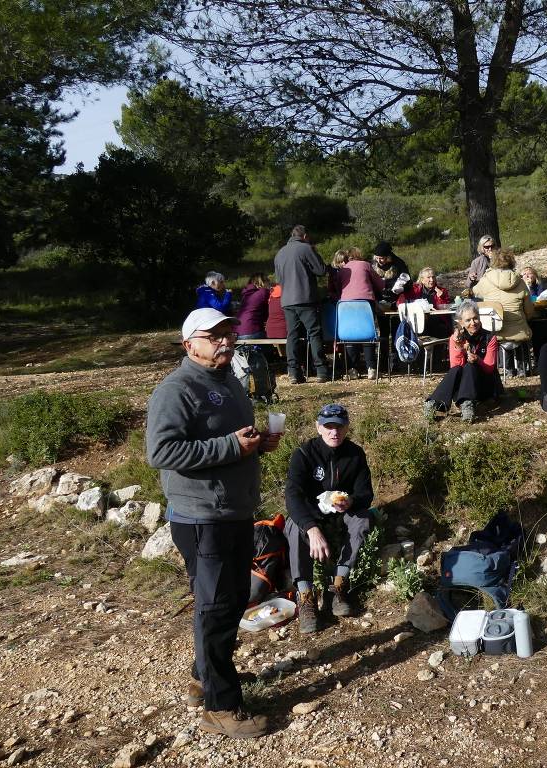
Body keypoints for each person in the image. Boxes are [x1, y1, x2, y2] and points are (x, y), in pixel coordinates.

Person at [145, 307, 283, 739]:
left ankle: (202, 677)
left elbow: (230, 445)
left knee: (228, 599)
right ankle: (220, 707)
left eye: (229, 332)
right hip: (202, 516)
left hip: (234, 511)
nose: (226, 340)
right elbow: (161, 452)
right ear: (190, 345)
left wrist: (257, 444)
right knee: (217, 606)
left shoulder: (229, 383)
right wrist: (230, 446)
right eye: (214, 335)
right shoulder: (177, 389)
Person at [284, 403, 374, 630]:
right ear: (318, 427)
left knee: (362, 518)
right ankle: (305, 596)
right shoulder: (304, 454)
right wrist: (311, 528)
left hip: (342, 514)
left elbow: (366, 493)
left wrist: (351, 501)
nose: (335, 432)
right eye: (329, 427)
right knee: (294, 526)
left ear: (347, 427)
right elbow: (293, 497)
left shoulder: (355, 454)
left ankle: (339, 585)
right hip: (313, 515)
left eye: (340, 427)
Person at [422, 300, 500, 423]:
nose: (473, 323)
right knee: (458, 369)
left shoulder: (490, 337)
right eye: (468, 320)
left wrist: (478, 360)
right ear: (461, 322)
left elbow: (490, 368)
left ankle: (467, 405)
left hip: (485, 383)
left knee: (470, 366)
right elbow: (455, 367)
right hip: (465, 386)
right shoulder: (456, 338)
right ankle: (434, 403)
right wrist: (458, 345)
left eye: (475, 318)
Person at [274, 224, 330, 382]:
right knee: (314, 333)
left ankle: (294, 372)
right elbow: (321, 270)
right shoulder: (306, 249)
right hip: (305, 298)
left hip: (287, 301)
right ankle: (321, 371)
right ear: (305, 236)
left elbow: (278, 279)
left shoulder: (280, 253)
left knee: (292, 335)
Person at [332, 247, 385, 379]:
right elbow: (380, 284)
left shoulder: (343, 269)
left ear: (348, 257)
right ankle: (371, 368)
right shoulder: (366, 265)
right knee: (367, 333)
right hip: (365, 303)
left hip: (345, 304)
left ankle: (351, 369)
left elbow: (338, 287)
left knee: (350, 334)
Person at [473, 249, 535, 344]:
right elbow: (529, 311)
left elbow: (474, 291)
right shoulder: (520, 282)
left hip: (494, 333)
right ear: (511, 262)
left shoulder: (486, 280)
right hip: (520, 332)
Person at [397, 266, 453, 337]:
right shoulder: (414, 290)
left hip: (437, 320)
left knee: (438, 325)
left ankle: (435, 346)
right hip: (418, 321)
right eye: (428, 277)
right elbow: (400, 301)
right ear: (422, 280)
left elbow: (445, 310)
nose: (432, 280)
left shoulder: (442, 291)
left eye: (433, 277)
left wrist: (441, 297)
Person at [371, 241, 411, 305]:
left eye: (381, 258)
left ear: (388, 257)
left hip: (395, 299)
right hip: (377, 299)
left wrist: (402, 288)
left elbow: (409, 283)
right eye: (377, 258)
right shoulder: (373, 264)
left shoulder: (399, 264)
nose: (379, 261)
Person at [234, 274, 270, 340]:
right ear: (262, 282)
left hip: (237, 332)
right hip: (252, 330)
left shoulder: (246, 295)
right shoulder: (263, 292)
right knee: (272, 338)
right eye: (268, 281)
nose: (269, 284)